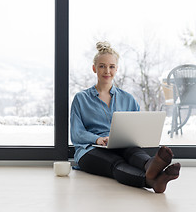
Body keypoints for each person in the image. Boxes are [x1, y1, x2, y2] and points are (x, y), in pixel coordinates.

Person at [70, 41, 180, 193]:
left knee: (135, 153)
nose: (107, 70)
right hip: (89, 150)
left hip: (121, 145)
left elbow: (137, 128)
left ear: (117, 69)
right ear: (94, 68)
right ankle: (150, 180)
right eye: (102, 66)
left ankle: (152, 167)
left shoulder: (128, 98)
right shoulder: (81, 98)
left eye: (111, 66)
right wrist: (98, 139)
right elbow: (76, 133)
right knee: (116, 163)